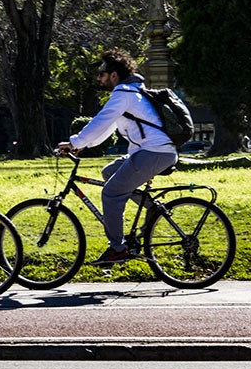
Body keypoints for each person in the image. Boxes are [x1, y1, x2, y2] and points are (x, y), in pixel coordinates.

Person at [57, 48, 178, 265]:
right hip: (154, 152)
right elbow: (107, 128)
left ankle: (118, 249)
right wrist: (84, 145)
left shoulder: (123, 93)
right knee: (109, 172)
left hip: (154, 152)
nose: (99, 78)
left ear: (114, 75)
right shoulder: (132, 92)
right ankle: (152, 207)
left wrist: (75, 142)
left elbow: (100, 121)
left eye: (102, 73)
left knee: (111, 193)